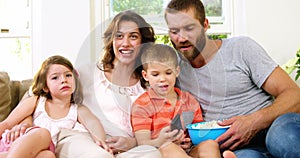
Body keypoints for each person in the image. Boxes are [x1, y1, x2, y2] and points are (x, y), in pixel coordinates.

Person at [164, 0, 300, 157]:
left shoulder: (240, 48)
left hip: (273, 126)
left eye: (189, 28)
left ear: (205, 24)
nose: (181, 38)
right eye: (174, 31)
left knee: (283, 136)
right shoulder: (172, 69)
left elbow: (294, 95)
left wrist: (253, 122)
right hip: (237, 148)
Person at [53, 10, 162, 158]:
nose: (126, 43)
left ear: (143, 43)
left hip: (125, 150)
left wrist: (133, 142)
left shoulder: (151, 85)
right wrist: (24, 123)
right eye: (119, 36)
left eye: (133, 37)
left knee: (152, 154)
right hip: (84, 139)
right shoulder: (87, 72)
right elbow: (38, 92)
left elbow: (159, 129)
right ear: (111, 41)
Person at [131, 43, 237, 158]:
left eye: (168, 72)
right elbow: (142, 143)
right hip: (161, 151)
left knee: (209, 145)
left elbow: (198, 133)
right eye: (155, 74)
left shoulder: (189, 101)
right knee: (170, 147)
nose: (162, 79)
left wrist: (189, 142)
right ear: (145, 75)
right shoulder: (141, 105)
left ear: (177, 71)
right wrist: (160, 140)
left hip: (189, 150)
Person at [0, 55, 112, 158]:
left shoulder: (76, 109)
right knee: (43, 133)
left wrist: (101, 142)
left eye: (68, 75)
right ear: (45, 87)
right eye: (55, 78)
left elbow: (93, 123)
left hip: (42, 151)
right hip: (17, 143)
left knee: (49, 156)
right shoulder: (37, 101)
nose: (64, 80)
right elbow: (8, 123)